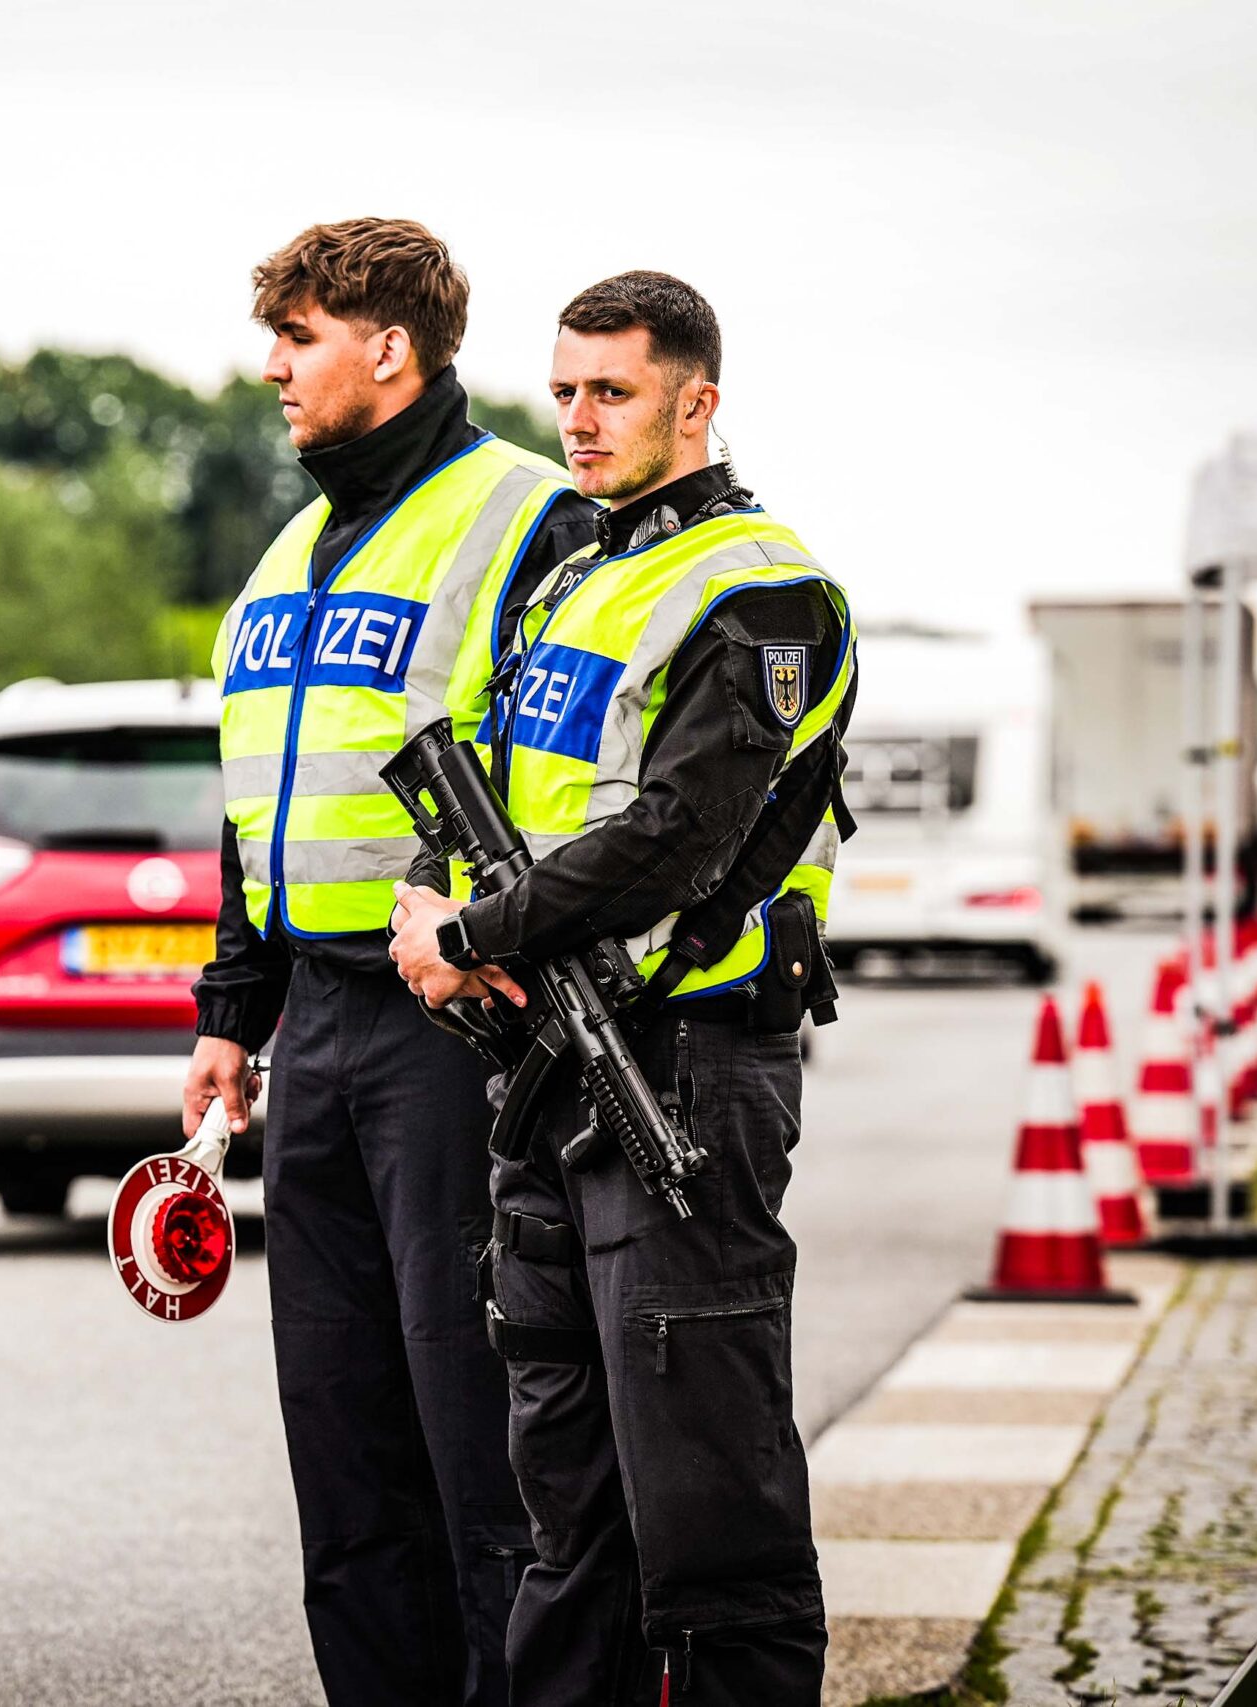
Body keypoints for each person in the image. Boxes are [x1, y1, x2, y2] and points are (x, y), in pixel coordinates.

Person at [390, 270, 857, 1705]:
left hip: (688, 1073)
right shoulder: (571, 574)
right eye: (567, 390)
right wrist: (429, 895)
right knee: (566, 1518)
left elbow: (678, 836)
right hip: (547, 1075)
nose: (578, 422)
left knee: (712, 1516)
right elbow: (474, 770)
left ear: (695, 401)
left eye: (613, 392)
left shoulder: (764, 592)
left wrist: (476, 935)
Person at [184, 218, 599, 1707]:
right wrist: (235, 1012)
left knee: (475, 1430)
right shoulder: (288, 554)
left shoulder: (528, 518)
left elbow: (574, 779)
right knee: (343, 1438)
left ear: (389, 347)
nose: (275, 371)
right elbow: (252, 808)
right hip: (315, 1037)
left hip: (460, 1032)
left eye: (297, 339)